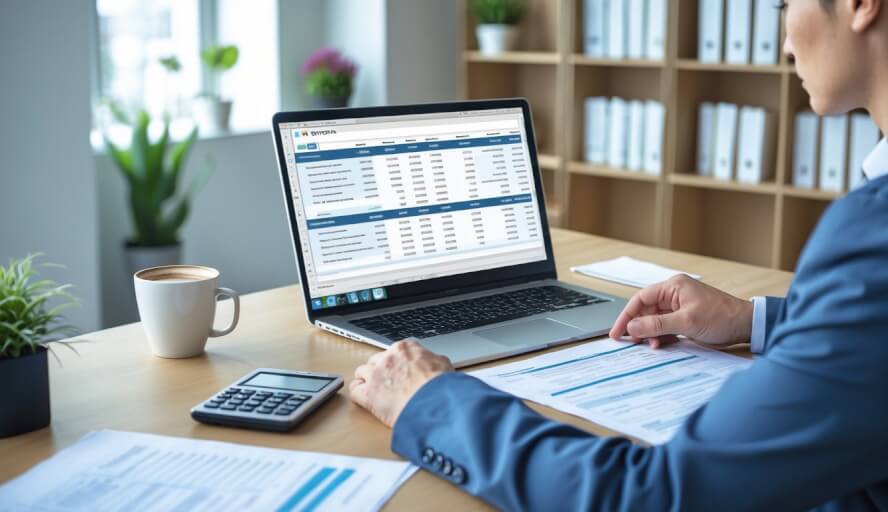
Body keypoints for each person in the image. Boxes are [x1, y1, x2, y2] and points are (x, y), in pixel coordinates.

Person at [349, 0, 888, 509]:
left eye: (783, 5)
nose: (786, 45)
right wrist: (754, 319)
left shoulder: (872, 233)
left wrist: (434, 402)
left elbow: (654, 497)